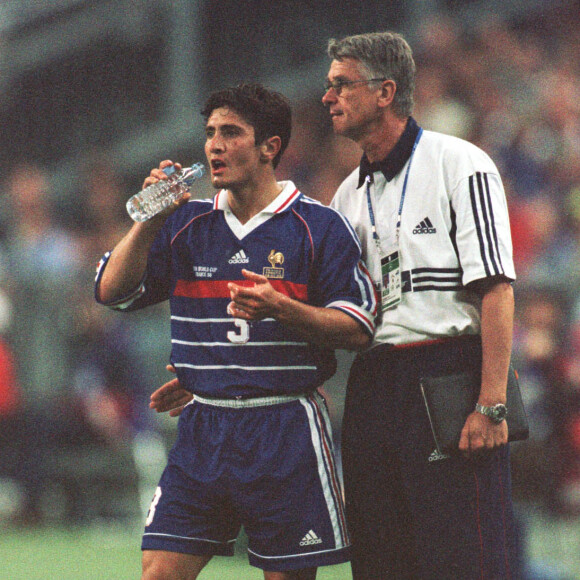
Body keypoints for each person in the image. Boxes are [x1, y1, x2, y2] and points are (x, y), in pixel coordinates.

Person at [95, 83, 376, 580]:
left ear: (270, 147)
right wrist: (148, 222)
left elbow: (358, 326)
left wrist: (282, 308)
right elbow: (111, 292)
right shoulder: (186, 222)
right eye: (209, 133)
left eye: (231, 133)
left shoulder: (319, 226)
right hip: (204, 428)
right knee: (158, 571)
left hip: (285, 429)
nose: (214, 146)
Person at [321, 32, 519, 579]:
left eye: (341, 84)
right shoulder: (346, 195)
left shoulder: (461, 163)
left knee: (464, 554)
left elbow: (497, 290)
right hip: (374, 382)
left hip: (448, 370)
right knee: (381, 557)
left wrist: (491, 403)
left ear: (385, 92)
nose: (327, 97)